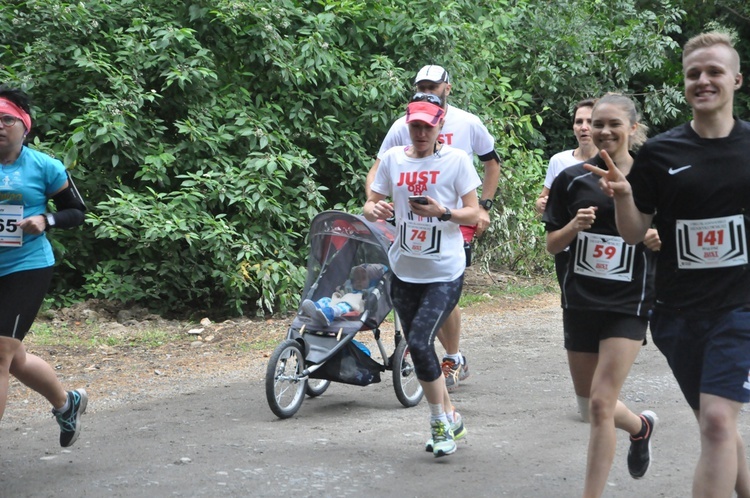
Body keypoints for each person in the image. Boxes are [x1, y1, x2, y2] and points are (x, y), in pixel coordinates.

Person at [586, 32, 750, 498]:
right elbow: (636, 232)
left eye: (714, 71)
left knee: (718, 421)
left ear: (736, 79)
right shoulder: (661, 154)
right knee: (716, 422)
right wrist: (622, 196)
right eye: (693, 73)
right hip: (677, 313)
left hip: (740, 308)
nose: (703, 80)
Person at [543, 93, 658, 496]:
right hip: (580, 299)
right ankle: (640, 427)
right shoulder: (570, 179)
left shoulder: (652, 177)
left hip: (629, 302)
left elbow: (679, 229)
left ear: (633, 129)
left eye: (613, 124)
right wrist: (573, 226)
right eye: (597, 124)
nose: (604, 131)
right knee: (590, 406)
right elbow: (552, 246)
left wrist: (660, 236)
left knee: (600, 403)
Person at [366, 65, 501, 391]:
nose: (427, 88)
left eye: (433, 84)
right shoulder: (403, 127)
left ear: (447, 88)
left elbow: (491, 163)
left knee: (444, 290)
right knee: (423, 289)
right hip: (410, 224)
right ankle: (427, 351)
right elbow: (379, 171)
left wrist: (483, 207)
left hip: (454, 212)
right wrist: (374, 204)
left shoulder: (467, 124)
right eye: (421, 84)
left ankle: (452, 357)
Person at [364, 94, 481, 457]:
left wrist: (443, 212)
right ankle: (450, 414)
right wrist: (374, 208)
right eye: (415, 125)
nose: (420, 132)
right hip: (404, 268)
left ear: (439, 127)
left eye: (427, 126)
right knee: (421, 345)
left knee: (417, 342)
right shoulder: (394, 160)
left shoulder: (457, 161)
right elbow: (371, 203)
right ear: (407, 125)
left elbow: (474, 214)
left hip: (444, 270)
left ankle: (438, 425)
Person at [0, 86, 88, 447]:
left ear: (24, 126)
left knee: (0, 353)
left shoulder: (44, 166)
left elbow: (77, 212)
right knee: (15, 359)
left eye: (6, 119)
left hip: (26, 267)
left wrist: (46, 221)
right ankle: (67, 404)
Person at [535, 98, 599, 214]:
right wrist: (542, 204)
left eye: (590, 121)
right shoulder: (558, 160)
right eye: (579, 122)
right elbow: (541, 200)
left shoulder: (612, 163)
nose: (584, 127)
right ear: (573, 128)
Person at [300, 263, 388, 326]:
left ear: (370, 281)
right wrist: (340, 289)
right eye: (357, 278)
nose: (359, 281)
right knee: (326, 299)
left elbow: (385, 268)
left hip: (352, 305)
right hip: (340, 300)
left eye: (363, 278)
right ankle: (315, 308)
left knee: (344, 304)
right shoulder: (349, 286)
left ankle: (328, 314)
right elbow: (340, 292)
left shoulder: (368, 290)